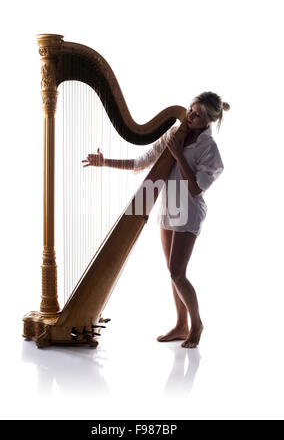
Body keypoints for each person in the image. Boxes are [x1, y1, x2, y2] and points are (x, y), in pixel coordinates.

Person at [82, 91, 229, 348]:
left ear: (210, 121)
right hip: (167, 208)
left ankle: (197, 325)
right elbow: (141, 162)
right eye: (191, 111)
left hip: (189, 211)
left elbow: (196, 188)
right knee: (173, 273)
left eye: (199, 116)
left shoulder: (210, 149)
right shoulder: (174, 135)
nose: (192, 117)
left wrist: (179, 156)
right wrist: (105, 162)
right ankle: (181, 325)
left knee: (177, 272)